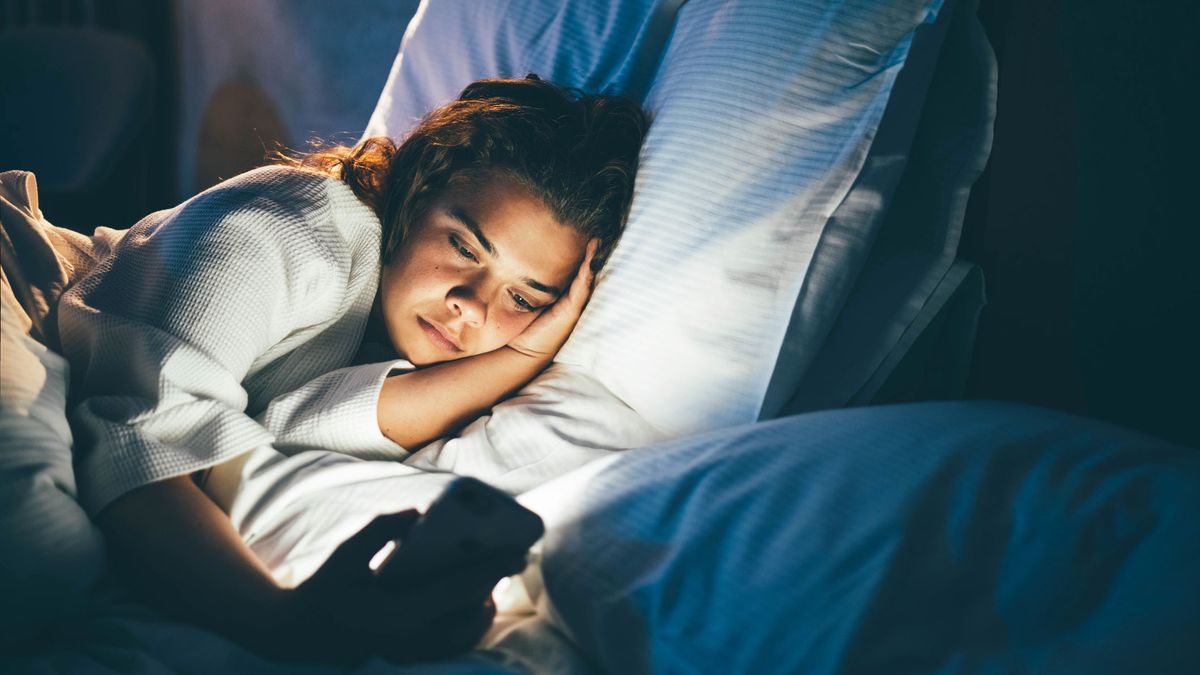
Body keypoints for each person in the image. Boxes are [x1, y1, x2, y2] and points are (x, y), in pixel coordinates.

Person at [53, 75, 647, 663]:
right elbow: (130, 438)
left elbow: (296, 428)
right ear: (415, 191)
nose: (472, 304)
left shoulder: (403, 335)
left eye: (523, 297)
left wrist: (524, 354)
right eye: (465, 247)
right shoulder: (292, 223)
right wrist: (283, 623)